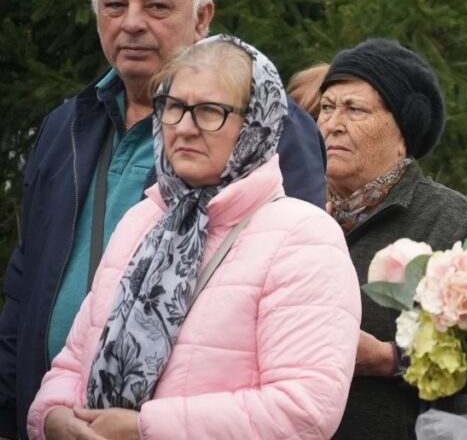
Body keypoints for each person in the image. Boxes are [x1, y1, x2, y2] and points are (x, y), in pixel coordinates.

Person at [0, 0, 327, 439]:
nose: (132, 23)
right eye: (114, 5)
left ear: (202, 17)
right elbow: (28, 280)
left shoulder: (270, 128)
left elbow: (288, 288)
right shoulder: (67, 125)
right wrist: (18, 413)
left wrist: (148, 426)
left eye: (156, 6)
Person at [26, 36, 360, 439]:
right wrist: (53, 417)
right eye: (173, 107)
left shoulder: (303, 237)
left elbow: (303, 410)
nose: (184, 128)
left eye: (209, 111)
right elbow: (73, 361)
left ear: (256, 123)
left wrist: (146, 429)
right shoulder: (143, 221)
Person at [317, 38, 467, 440]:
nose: (333, 124)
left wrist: (388, 360)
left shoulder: (455, 226)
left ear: (403, 133)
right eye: (326, 107)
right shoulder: (293, 210)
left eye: (355, 109)